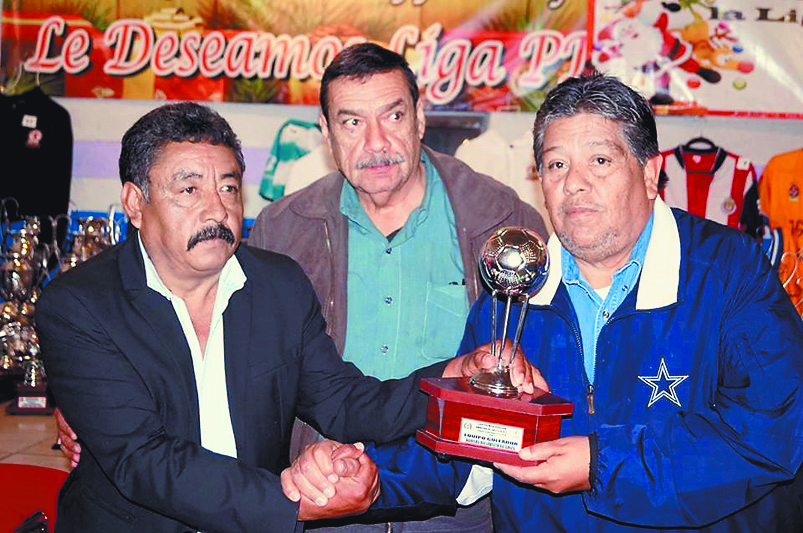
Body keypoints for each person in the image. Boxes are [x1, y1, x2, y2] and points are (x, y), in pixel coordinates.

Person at [285, 73, 803, 531]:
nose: (574, 184)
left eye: (600, 160)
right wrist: (372, 479)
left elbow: (774, 432)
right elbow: (466, 446)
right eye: (556, 165)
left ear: (650, 173)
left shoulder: (726, 271)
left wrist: (600, 464)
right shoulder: (510, 298)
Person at [36, 102, 536, 532]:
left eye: (228, 188)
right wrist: (292, 503)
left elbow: (343, 402)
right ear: (134, 202)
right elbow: (144, 461)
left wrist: (455, 377)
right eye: (189, 190)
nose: (216, 210)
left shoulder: (277, 284)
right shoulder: (79, 305)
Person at [246, 43, 547, 532]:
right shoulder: (281, 232)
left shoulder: (503, 221)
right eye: (352, 122)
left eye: (393, 116)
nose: (376, 142)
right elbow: (254, 377)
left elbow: (542, 366)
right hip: (325, 498)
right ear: (325, 132)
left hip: (461, 509)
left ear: (420, 119)